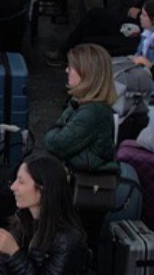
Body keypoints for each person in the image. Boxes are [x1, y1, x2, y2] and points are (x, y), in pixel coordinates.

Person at [43, 44, 120, 249]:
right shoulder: (90, 107)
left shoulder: (91, 112)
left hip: (83, 193)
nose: (67, 70)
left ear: (87, 73)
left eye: (72, 67)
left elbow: (54, 143)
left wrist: (60, 124)